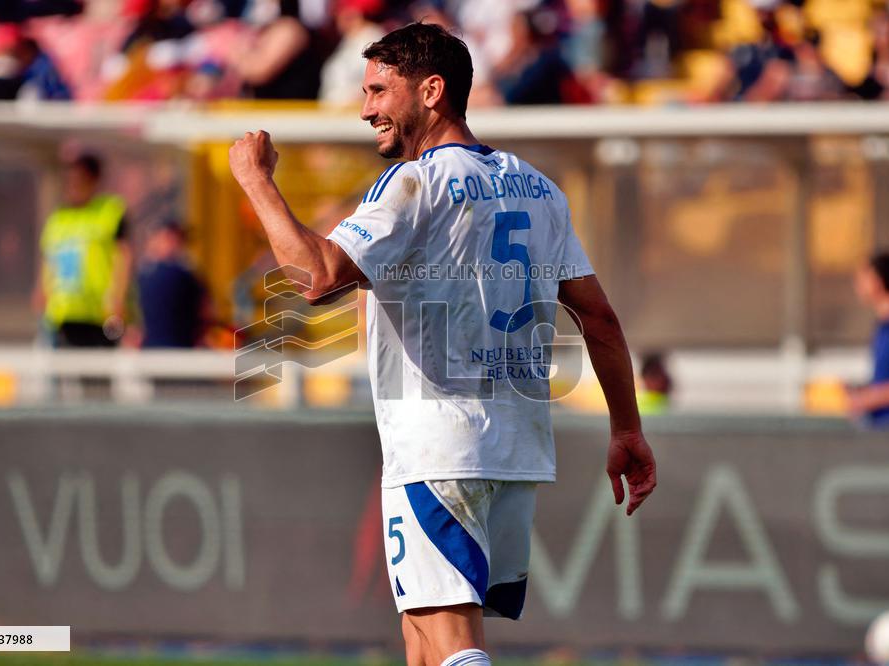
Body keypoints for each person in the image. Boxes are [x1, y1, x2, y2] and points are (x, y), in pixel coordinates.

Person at [228, 22, 657, 665]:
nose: (366, 107)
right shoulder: (538, 189)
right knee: (425, 640)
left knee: (450, 643)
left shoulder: (413, 184)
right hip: (512, 449)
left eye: (378, 90)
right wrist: (627, 428)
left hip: (437, 444)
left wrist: (257, 180)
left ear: (431, 91)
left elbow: (315, 277)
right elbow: (599, 319)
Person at [34, 153, 133, 348]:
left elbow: (123, 255)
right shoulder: (58, 218)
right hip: (63, 312)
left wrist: (119, 298)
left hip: (101, 314)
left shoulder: (110, 211)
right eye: (69, 181)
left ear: (94, 180)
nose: (73, 186)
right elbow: (49, 259)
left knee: (98, 372)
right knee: (64, 371)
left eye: (79, 180)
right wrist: (41, 288)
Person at [847, 252, 889, 427]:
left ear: (879, 281)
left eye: (864, 279)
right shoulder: (884, 326)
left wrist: (872, 398)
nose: (858, 285)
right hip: (882, 429)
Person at [135, 218, 207, 348]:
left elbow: (205, 310)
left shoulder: (186, 274)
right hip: (158, 349)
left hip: (179, 348)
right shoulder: (147, 274)